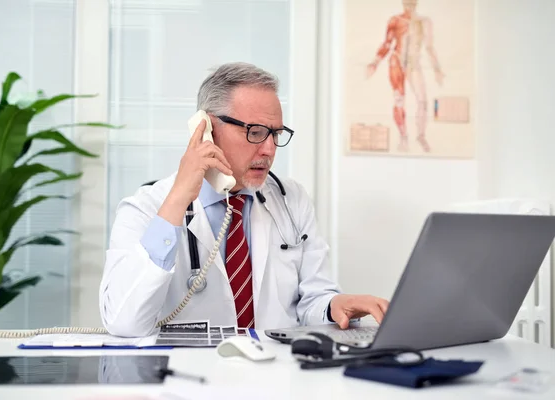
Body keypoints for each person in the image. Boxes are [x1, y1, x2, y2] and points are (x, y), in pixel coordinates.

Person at [99, 62, 389, 337]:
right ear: (207, 129)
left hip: (275, 375)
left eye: (276, 134)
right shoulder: (145, 208)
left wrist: (333, 306)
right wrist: (178, 199)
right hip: (187, 380)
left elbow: (313, 299)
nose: (269, 149)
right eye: (256, 132)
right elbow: (125, 323)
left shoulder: (292, 200)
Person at [365, 0, 444, 153]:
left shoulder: (424, 22)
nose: (409, 7)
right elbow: (387, 43)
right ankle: (403, 136)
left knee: (422, 100)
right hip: (397, 62)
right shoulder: (395, 20)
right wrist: (375, 62)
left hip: (414, 64)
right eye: (407, 4)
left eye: (412, 4)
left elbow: (429, 47)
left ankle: (421, 135)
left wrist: (437, 69)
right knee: (399, 100)